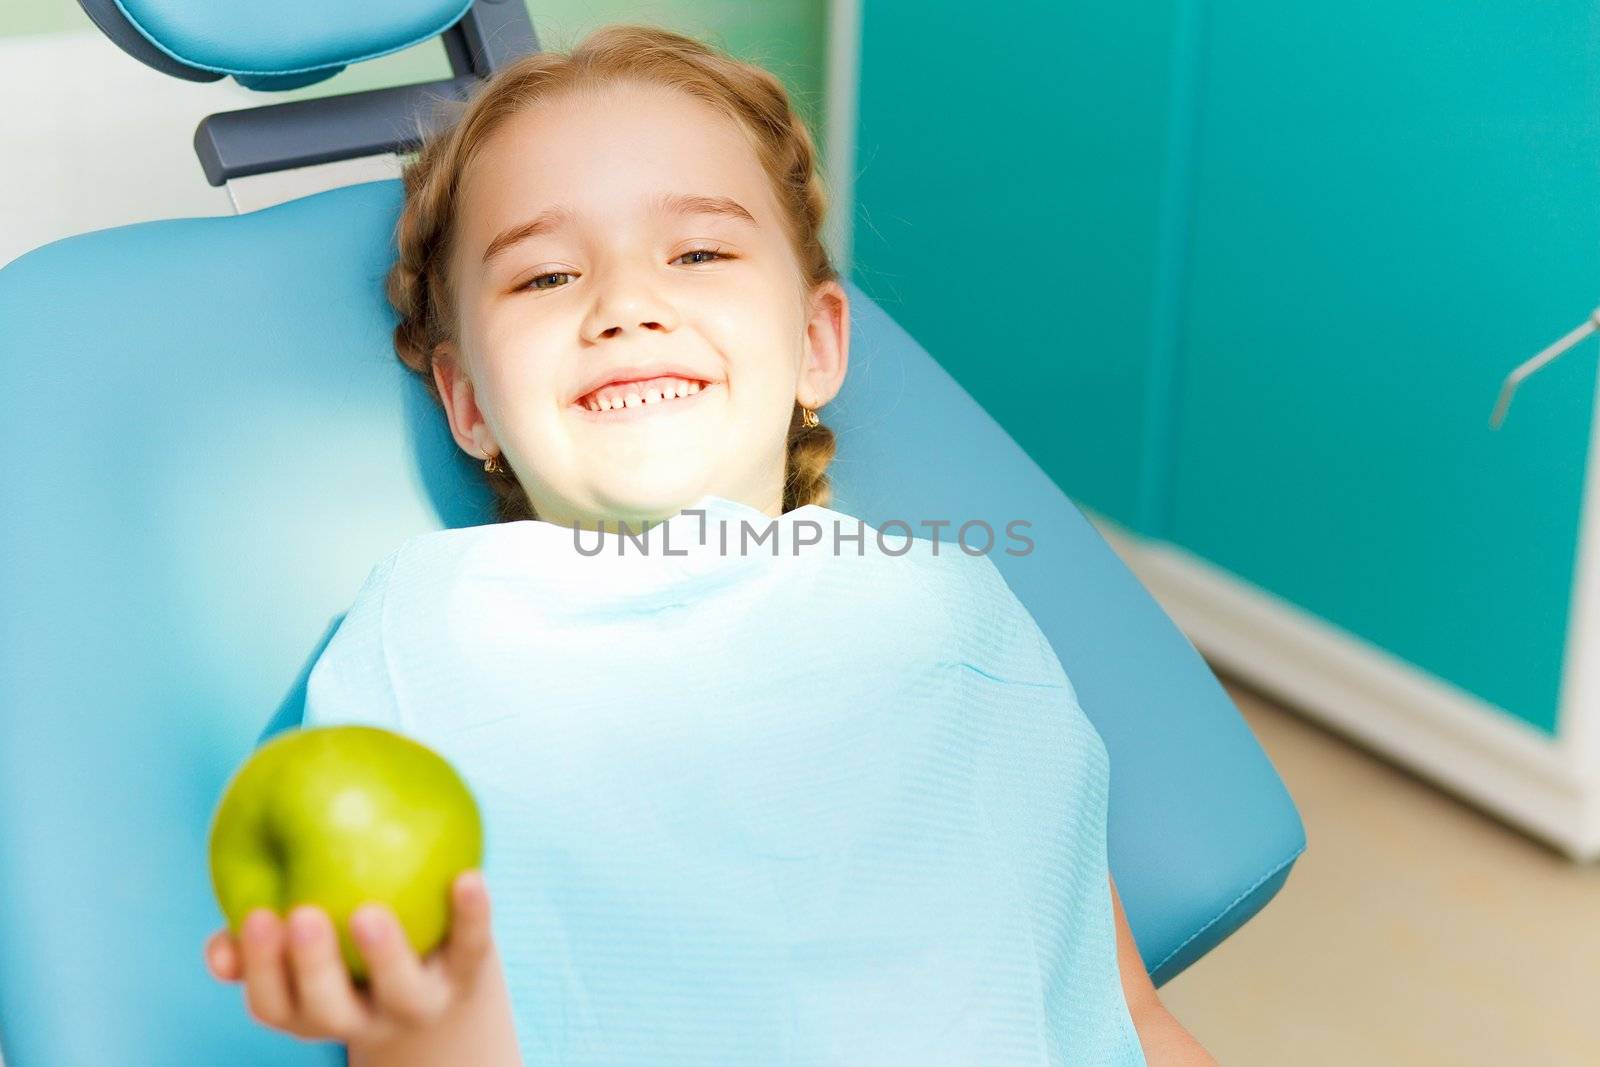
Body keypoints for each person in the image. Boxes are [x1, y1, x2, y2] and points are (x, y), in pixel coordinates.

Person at [202, 23, 1216, 1066]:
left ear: (816, 344)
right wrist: (427, 1024)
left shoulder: (945, 606)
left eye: (698, 253)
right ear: (466, 402)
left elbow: (1119, 1009)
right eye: (546, 276)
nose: (627, 306)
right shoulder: (434, 629)